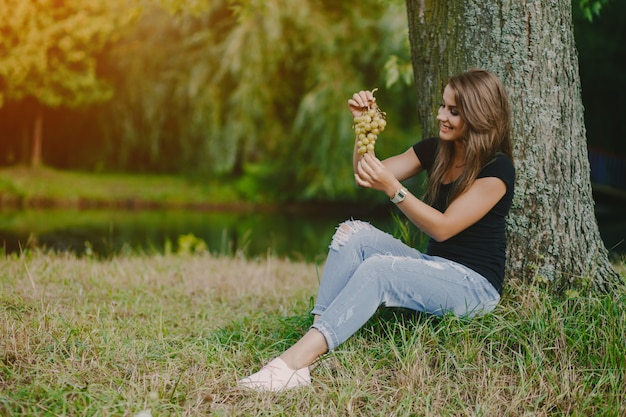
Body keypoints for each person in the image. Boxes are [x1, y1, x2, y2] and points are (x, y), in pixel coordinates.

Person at [238, 68, 515, 392]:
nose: (441, 116)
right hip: (435, 268)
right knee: (351, 233)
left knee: (380, 270)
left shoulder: (497, 170)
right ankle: (309, 356)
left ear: (479, 115)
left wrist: (395, 190)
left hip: (474, 287)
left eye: (454, 111)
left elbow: (442, 229)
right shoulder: (437, 150)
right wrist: (362, 125)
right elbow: (366, 174)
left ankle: (290, 364)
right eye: (443, 106)